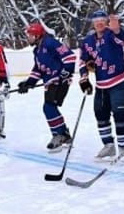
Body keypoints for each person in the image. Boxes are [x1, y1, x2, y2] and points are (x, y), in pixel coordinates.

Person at [78, 10, 124, 162]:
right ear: (93, 23)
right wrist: (84, 78)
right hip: (101, 83)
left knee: (120, 114)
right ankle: (109, 146)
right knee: (100, 114)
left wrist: (117, 30)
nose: (99, 22)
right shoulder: (88, 41)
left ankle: (122, 148)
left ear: (107, 21)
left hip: (119, 80)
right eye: (96, 20)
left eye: (102, 19)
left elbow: (122, 39)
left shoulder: (112, 34)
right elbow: (83, 61)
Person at [17, 22, 76, 153]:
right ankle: (63, 134)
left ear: (38, 35)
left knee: (48, 107)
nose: (29, 38)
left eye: (31, 35)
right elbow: (38, 69)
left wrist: (66, 72)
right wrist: (29, 83)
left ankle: (59, 135)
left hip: (60, 80)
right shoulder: (37, 50)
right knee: (50, 107)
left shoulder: (50, 43)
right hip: (50, 81)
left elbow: (70, 56)